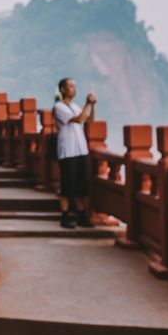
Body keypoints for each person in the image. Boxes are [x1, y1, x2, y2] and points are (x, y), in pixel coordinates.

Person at [53, 78, 97, 229]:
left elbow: (89, 120)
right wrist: (86, 104)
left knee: (81, 186)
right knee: (67, 186)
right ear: (63, 90)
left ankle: (81, 215)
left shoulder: (75, 106)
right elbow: (78, 120)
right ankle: (64, 216)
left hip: (80, 150)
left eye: (75, 86)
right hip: (68, 151)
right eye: (71, 86)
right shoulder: (59, 107)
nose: (74, 89)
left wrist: (92, 105)